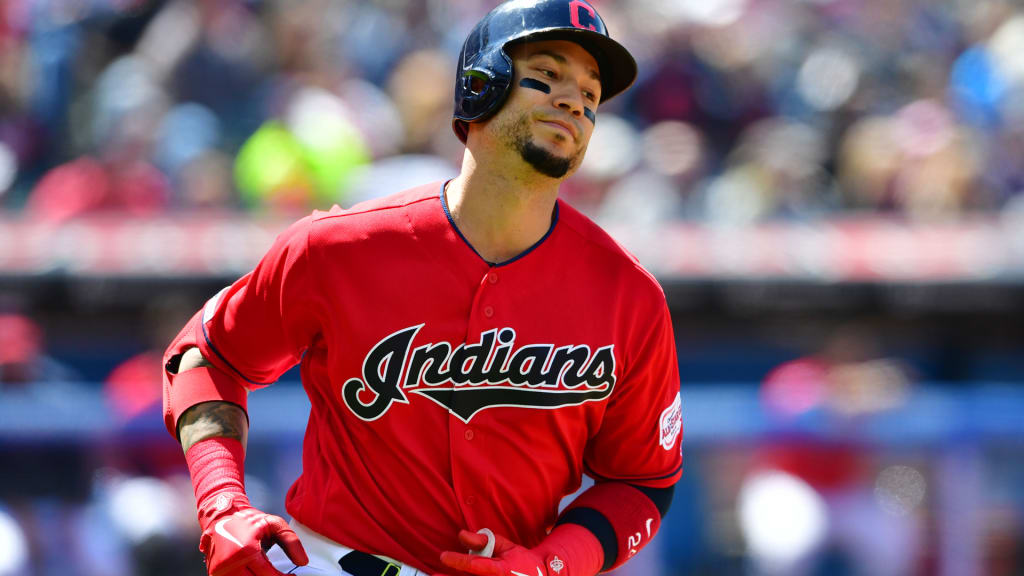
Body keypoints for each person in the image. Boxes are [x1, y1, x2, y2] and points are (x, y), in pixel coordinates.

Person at [161, 1, 683, 575]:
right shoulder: (340, 248)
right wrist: (221, 505)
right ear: (481, 84)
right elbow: (206, 358)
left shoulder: (628, 297)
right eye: (548, 75)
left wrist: (553, 564)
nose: (573, 101)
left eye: (590, 93)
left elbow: (641, 481)